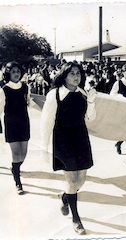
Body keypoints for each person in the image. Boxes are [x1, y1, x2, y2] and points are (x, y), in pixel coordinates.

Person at [40, 62, 97, 235]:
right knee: (72, 181)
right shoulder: (54, 95)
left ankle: (65, 197)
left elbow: (91, 118)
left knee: (81, 181)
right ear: (64, 76)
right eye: (72, 73)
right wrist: (45, 146)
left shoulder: (83, 94)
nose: (76, 77)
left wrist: (92, 101)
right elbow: (46, 121)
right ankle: (76, 219)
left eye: (78, 73)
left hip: (80, 138)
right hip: (63, 140)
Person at [0, 61, 31, 195]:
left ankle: (15, 168)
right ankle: (18, 182)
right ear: (8, 74)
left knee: (23, 154)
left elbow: (29, 102)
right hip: (11, 123)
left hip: (24, 122)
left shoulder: (25, 87)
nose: (16, 74)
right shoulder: (4, 90)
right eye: (13, 72)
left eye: (18, 71)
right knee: (16, 153)